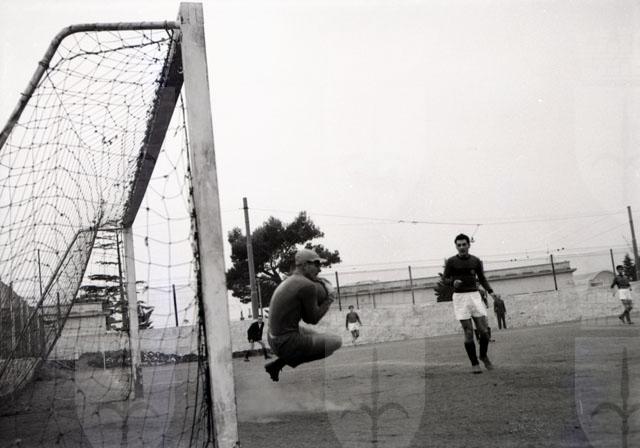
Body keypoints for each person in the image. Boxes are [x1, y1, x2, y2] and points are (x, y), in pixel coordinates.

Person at [264, 249, 342, 382]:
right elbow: (313, 319)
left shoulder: (290, 280)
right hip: (286, 342)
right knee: (335, 342)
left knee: (320, 338)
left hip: (272, 337)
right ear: (305, 265)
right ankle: (281, 362)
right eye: (316, 264)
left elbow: (306, 317)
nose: (319, 269)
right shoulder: (307, 286)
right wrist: (330, 298)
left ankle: (278, 364)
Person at [443, 233, 500, 374]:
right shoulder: (451, 262)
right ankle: (474, 363)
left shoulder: (475, 261)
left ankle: (483, 355)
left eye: (464, 244)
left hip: (474, 296)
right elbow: (445, 279)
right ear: (456, 246)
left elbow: (482, 278)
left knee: (484, 332)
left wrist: (491, 292)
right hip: (460, 298)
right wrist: (452, 282)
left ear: (469, 245)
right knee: (468, 332)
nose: (462, 247)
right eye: (459, 245)